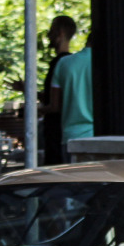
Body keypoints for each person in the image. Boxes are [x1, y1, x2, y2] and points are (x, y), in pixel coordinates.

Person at [33, 15, 76, 164]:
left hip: (57, 132)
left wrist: (35, 110)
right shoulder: (70, 64)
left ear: (60, 33)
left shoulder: (60, 64)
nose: (48, 35)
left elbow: (55, 105)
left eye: (52, 30)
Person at [50, 28, 94, 145]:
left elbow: (54, 105)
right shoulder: (105, 62)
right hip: (98, 136)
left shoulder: (63, 63)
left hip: (71, 136)